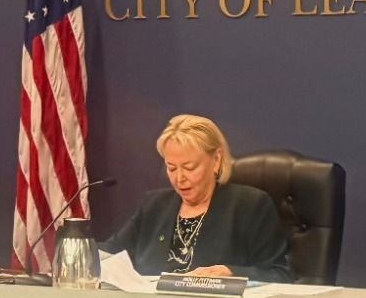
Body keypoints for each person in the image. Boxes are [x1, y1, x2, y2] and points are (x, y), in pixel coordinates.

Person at [102, 114, 293, 281]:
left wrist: (231, 272)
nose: (179, 178)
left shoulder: (250, 206)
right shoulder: (154, 205)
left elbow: (280, 275)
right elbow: (109, 253)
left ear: (216, 160)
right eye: (171, 168)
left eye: (190, 167)